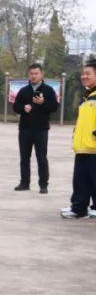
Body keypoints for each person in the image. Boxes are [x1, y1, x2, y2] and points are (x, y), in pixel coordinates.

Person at [13, 62, 59, 193]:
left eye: (36, 73)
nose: (34, 76)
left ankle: (43, 185)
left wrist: (43, 102)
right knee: (24, 158)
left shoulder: (48, 90)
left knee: (42, 158)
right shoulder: (23, 91)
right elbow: (15, 107)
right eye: (31, 74)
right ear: (28, 75)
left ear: (42, 74)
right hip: (25, 129)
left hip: (41, 130)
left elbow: (54, 107)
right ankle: (24, 183)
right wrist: (23, 108)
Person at [62, 60, 96, 219]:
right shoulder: (86, 98)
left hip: (94, 147)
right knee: (80, 181)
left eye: (88, 73)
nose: (84, 76)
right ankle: (79, 208)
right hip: (82, 147)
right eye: (83, 74)